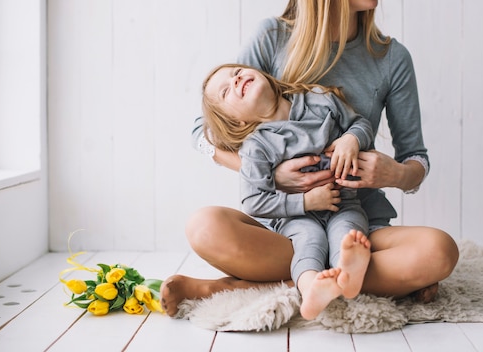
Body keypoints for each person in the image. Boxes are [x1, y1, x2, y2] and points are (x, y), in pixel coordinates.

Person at [161, 0, 460, 317]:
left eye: (238, 76)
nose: (237, 80)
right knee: (204, 226)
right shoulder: (273, 36)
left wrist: (395, 174)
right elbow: (205, 129)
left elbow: (415, 159)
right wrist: (273, 176)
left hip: (355, 221)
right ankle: (369, 281)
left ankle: (253, 286)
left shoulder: (389, 59)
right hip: (286, 231)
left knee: (439, 251)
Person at [202, 62, 375, 319]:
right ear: (235, 121)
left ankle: (348, 274)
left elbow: (360, 124)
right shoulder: (256, 147)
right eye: (226, 91)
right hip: (296, 219)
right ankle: (311, 288)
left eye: (237, 73)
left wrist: (352, 139)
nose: (236, 80)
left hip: (343, 204)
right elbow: (253, 202)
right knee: (309, 241)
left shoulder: (320, 100)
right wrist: (305, 202)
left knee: (349, 233)